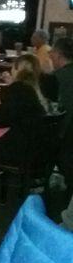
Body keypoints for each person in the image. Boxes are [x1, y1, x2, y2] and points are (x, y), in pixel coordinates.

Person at [50, 37, 73, 184]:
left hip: (60, 133)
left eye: (52, 52)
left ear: (58, 54)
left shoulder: (57, 78)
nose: (50, 55)